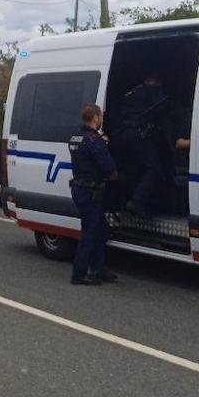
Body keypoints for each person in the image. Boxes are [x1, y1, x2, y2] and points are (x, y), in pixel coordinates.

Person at [69, 104, 119, 286]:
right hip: (90, 192)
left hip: (80, 189)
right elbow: (109, 169)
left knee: (101, 229)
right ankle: (79, 273)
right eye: (100, 117)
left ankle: (98, 268)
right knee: (90, 233)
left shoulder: (76, 138)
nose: (101, 120)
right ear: (96, 118)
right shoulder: (95, 141)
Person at [116, 73, 169, 216]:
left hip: (124, 135)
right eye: (156, 80)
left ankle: (126, 202)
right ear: (148, 79)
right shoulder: (150, 92)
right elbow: (161, 108)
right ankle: (135, 202)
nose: (158, 83)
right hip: (137, 135)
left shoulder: (132, 92)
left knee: (135, 169)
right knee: (155, 169)